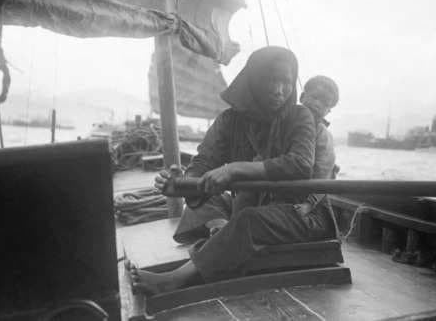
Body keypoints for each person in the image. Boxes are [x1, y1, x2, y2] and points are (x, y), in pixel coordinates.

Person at [131, 46, 334, 295]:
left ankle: (175, 279)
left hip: (302, 216)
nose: (279, 90)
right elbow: (203, 163)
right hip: (253, 206)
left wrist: (235, 169)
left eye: (286, 82)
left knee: (247, 221)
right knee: (215, 201)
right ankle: (225, 237)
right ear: (253, 80)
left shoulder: (299, 116)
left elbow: (300, 164)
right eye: (271, 80)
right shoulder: (229, 121)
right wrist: (182, 185)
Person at [296, 75, 340, 220]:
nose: (318, 104)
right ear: (302, 97)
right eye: (315, 97)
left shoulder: (324, 137)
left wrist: (308, 205)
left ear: (328, 111)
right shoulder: (287, 125)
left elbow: (324, 175)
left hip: (311, 209)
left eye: (325, 103)